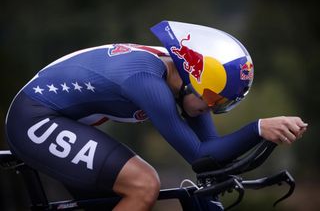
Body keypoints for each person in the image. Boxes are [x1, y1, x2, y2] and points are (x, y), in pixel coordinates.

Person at [5, 21, 307, 211]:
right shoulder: (147, 81)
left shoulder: (185, 85)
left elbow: (210, 161)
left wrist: (253, 164)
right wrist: (258, 128)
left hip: (60, 118)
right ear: (194, 80)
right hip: (34, 119)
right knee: (143, 185)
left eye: (224, 104)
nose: (212, 109)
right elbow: (201, 153)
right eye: (214, 99)